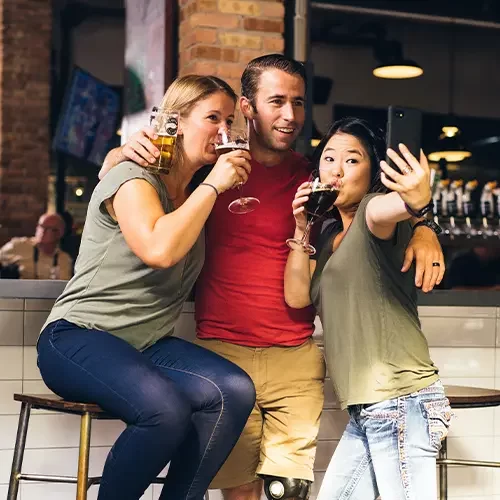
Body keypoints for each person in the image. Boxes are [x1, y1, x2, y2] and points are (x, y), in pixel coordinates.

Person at [100, 54, 445, 500]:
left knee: (288, 492)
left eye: (298, 103)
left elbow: (378, 209)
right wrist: (116, 153)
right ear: (247, 108)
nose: (290, 115)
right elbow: (133, 185)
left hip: (296, 359)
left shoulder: (318, 178)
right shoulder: (210, 172)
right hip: (222, 359)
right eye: (277, 101)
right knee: (239, 492)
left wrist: (425, 224)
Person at [37, 75, 256, 500]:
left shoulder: (191, 194)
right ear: (175, 121)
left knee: (233, 391)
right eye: (213, 117)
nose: (224, 131)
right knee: (165, 410)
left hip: (146, 344)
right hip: (78, 337)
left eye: (231, 121)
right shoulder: (134, 176)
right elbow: (159, 249)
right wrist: (213, 186)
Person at [285, 117, 452, 500]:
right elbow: (297, 297)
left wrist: (419, 202)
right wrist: (300, 227)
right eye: (329, 158)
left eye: (352, 160)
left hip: (401, 400)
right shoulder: (327, 237)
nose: (337, 170)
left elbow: (397, 206)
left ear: (373, 172)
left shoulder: (373, 214)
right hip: (369, 409)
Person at [0, 212, 73, 280]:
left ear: (59, 233)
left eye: (49, 228)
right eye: (41, 226)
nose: (42, 231)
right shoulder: (19, 245)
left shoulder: (64, 259)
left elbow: (63, 287)